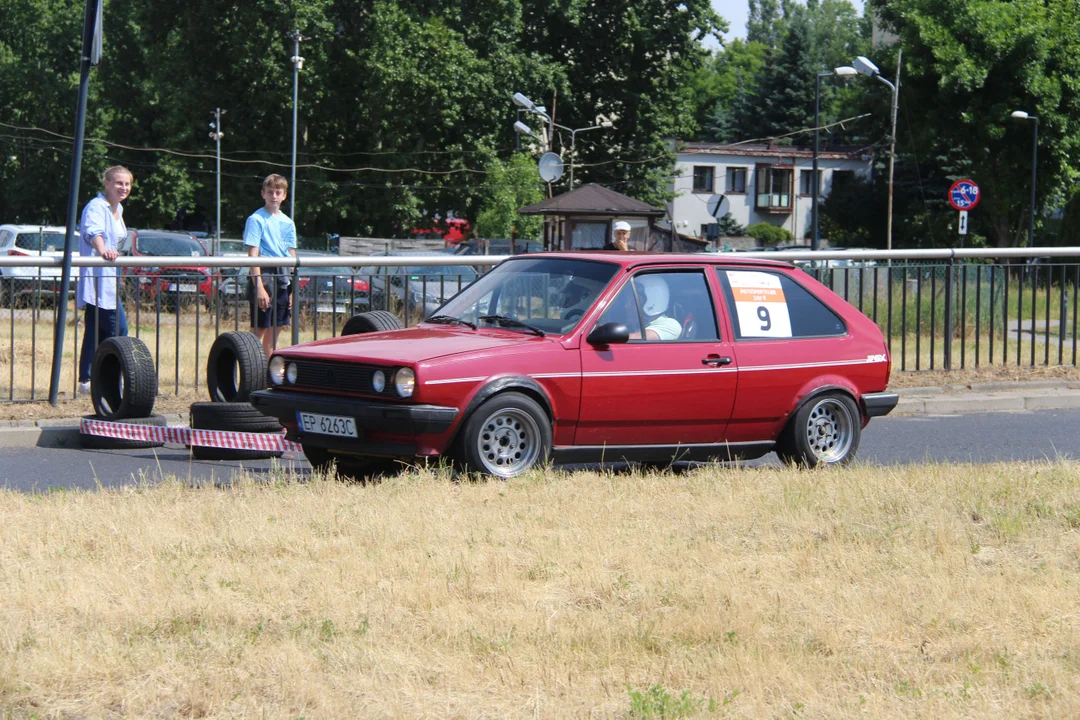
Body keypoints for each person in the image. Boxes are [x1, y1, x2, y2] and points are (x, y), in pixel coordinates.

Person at [77, 165, 132, 394]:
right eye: (119, 183)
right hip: (98, 279)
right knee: (117, 330)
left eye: (127, 184)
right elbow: (93, 232)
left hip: (108, 279)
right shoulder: (97, 207)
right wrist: (103, 251)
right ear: (107, 183)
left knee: (96, 330)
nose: (124, 188)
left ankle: (88, 379)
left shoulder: (116, 208)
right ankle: (106, 380)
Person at [244, 174, 297, 358]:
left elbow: (291, 255)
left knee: (276, 329)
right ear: (263, 194)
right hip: (264, 274)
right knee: (258, 329)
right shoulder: (256, 219)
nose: (274, 196)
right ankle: (249, 369)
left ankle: (268, 373)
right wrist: (259, 287)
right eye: (270, 192)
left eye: (278, 192)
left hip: (283, 277)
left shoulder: (288, 223)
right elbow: (253, 254)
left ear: (284, 195)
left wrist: (291, 289)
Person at [635, 275, 681, 340]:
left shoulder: (670, 325)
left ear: (651, 303)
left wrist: (615, 337)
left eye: (633, 301)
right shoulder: (633, 325)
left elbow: (643, 337)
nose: (626, 306)